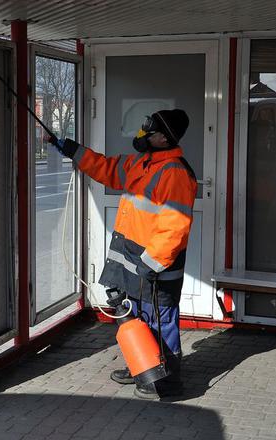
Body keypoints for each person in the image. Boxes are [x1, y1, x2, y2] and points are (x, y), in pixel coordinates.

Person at [46, 109, 197, 399]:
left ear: (164, 138)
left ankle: (165, 382)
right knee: (138, 316)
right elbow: (105, 168)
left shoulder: (174, 172)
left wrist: (153, 265)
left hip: (155, 266)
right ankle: (142, 367)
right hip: (135, 261)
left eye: (148, 131)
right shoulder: (142, 163)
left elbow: (174, 226)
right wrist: (71, 149)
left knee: (160, 320)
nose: (141, 135)